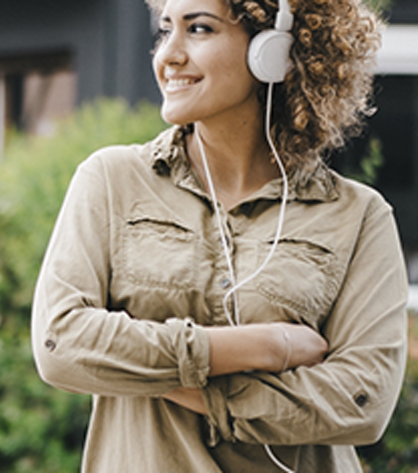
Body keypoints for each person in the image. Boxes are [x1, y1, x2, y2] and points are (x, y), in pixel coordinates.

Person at [31, 0, 408, 471]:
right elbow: (61, 344)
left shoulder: (359, 216)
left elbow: (360, 401)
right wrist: (264, 348)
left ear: (275, 51)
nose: (169, 54)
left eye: (200, 29)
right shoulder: (112, 181)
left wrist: (159, 374)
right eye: (165, 31)